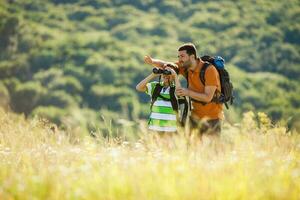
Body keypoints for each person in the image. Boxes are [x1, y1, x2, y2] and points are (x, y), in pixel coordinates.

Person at [144, 43, 223, 137]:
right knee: (190, 150)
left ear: (192, 56)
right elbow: (166, 64)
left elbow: (207, 97)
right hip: (194, 117)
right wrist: (152, 61)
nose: (179, 59)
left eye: (182, 56)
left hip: (212, 118)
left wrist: (187, 92)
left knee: (212, 150)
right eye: (178, 56)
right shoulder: (186, 67)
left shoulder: (209, 70)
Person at [136, 64, 181, 135]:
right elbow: (139, 87)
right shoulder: (155, 86)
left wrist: (175, 75)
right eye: (164, 72)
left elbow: (179, 92)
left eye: (169, 72)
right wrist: (153, 75)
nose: (165, 75)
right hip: (154, 127)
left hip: (170, 128)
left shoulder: (175, 88)